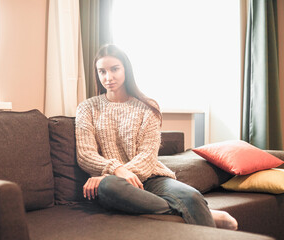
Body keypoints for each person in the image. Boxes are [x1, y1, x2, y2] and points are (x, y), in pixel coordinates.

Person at [75, 44, 237, 230]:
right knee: (107, 188)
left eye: (115, 69)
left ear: (126, 69)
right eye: (102, 71)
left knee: (191, 196)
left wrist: (119, 172)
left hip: (153, 179)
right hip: (117, 185)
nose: (108, 77)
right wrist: (116, 170)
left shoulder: (148, 107)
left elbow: (147, 156)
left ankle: (191, 210)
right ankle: (196, 212)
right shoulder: (87, 108)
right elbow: (85, 154)